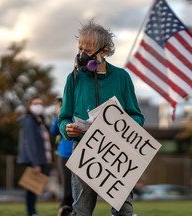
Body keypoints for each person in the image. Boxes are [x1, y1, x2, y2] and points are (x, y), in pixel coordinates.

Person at [58, 20, 145, 216]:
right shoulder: (73, 79)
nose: (81, 54)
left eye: (88, 49)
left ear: (103, 52)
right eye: (80, 48)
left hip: (117, 152)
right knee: (81, 210)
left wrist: (123, 125)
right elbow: (63, 118)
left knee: (124, 210)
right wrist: (67, 128)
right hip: (83, 151)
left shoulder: (122, 77)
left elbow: (137, 116)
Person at [17, 96, 53, 216]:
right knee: (31, 187)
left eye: (41, 103)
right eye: (36, 103)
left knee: (34, 187)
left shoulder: (39, 121)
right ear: (30, 105)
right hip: (33, 160)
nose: (39, 106)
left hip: (39, 159)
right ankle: (31, 212)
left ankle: (32, 212)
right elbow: (30, 143)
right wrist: (35, 163)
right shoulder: (28, 120)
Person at [50, 97, 73, 215]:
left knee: (78, 189)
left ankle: (72, 211)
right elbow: (54, 131)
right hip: (65, 155)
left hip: (79, 154)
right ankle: (64, 211)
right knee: (68, 188)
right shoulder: (60, 118)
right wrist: (57, 116)